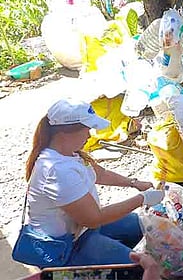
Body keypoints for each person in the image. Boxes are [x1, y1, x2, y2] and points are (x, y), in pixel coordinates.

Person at [21, 98, 165, 267]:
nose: (89, 135)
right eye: (87, 129)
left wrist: (134, 183)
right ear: (65, 132)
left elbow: (100, 174)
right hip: (65, 248)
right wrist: (142, 199)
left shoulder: (68, 152)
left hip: (83, 231)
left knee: (146, 226)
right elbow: (93, 219)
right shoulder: (57, 171)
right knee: (142, 268)